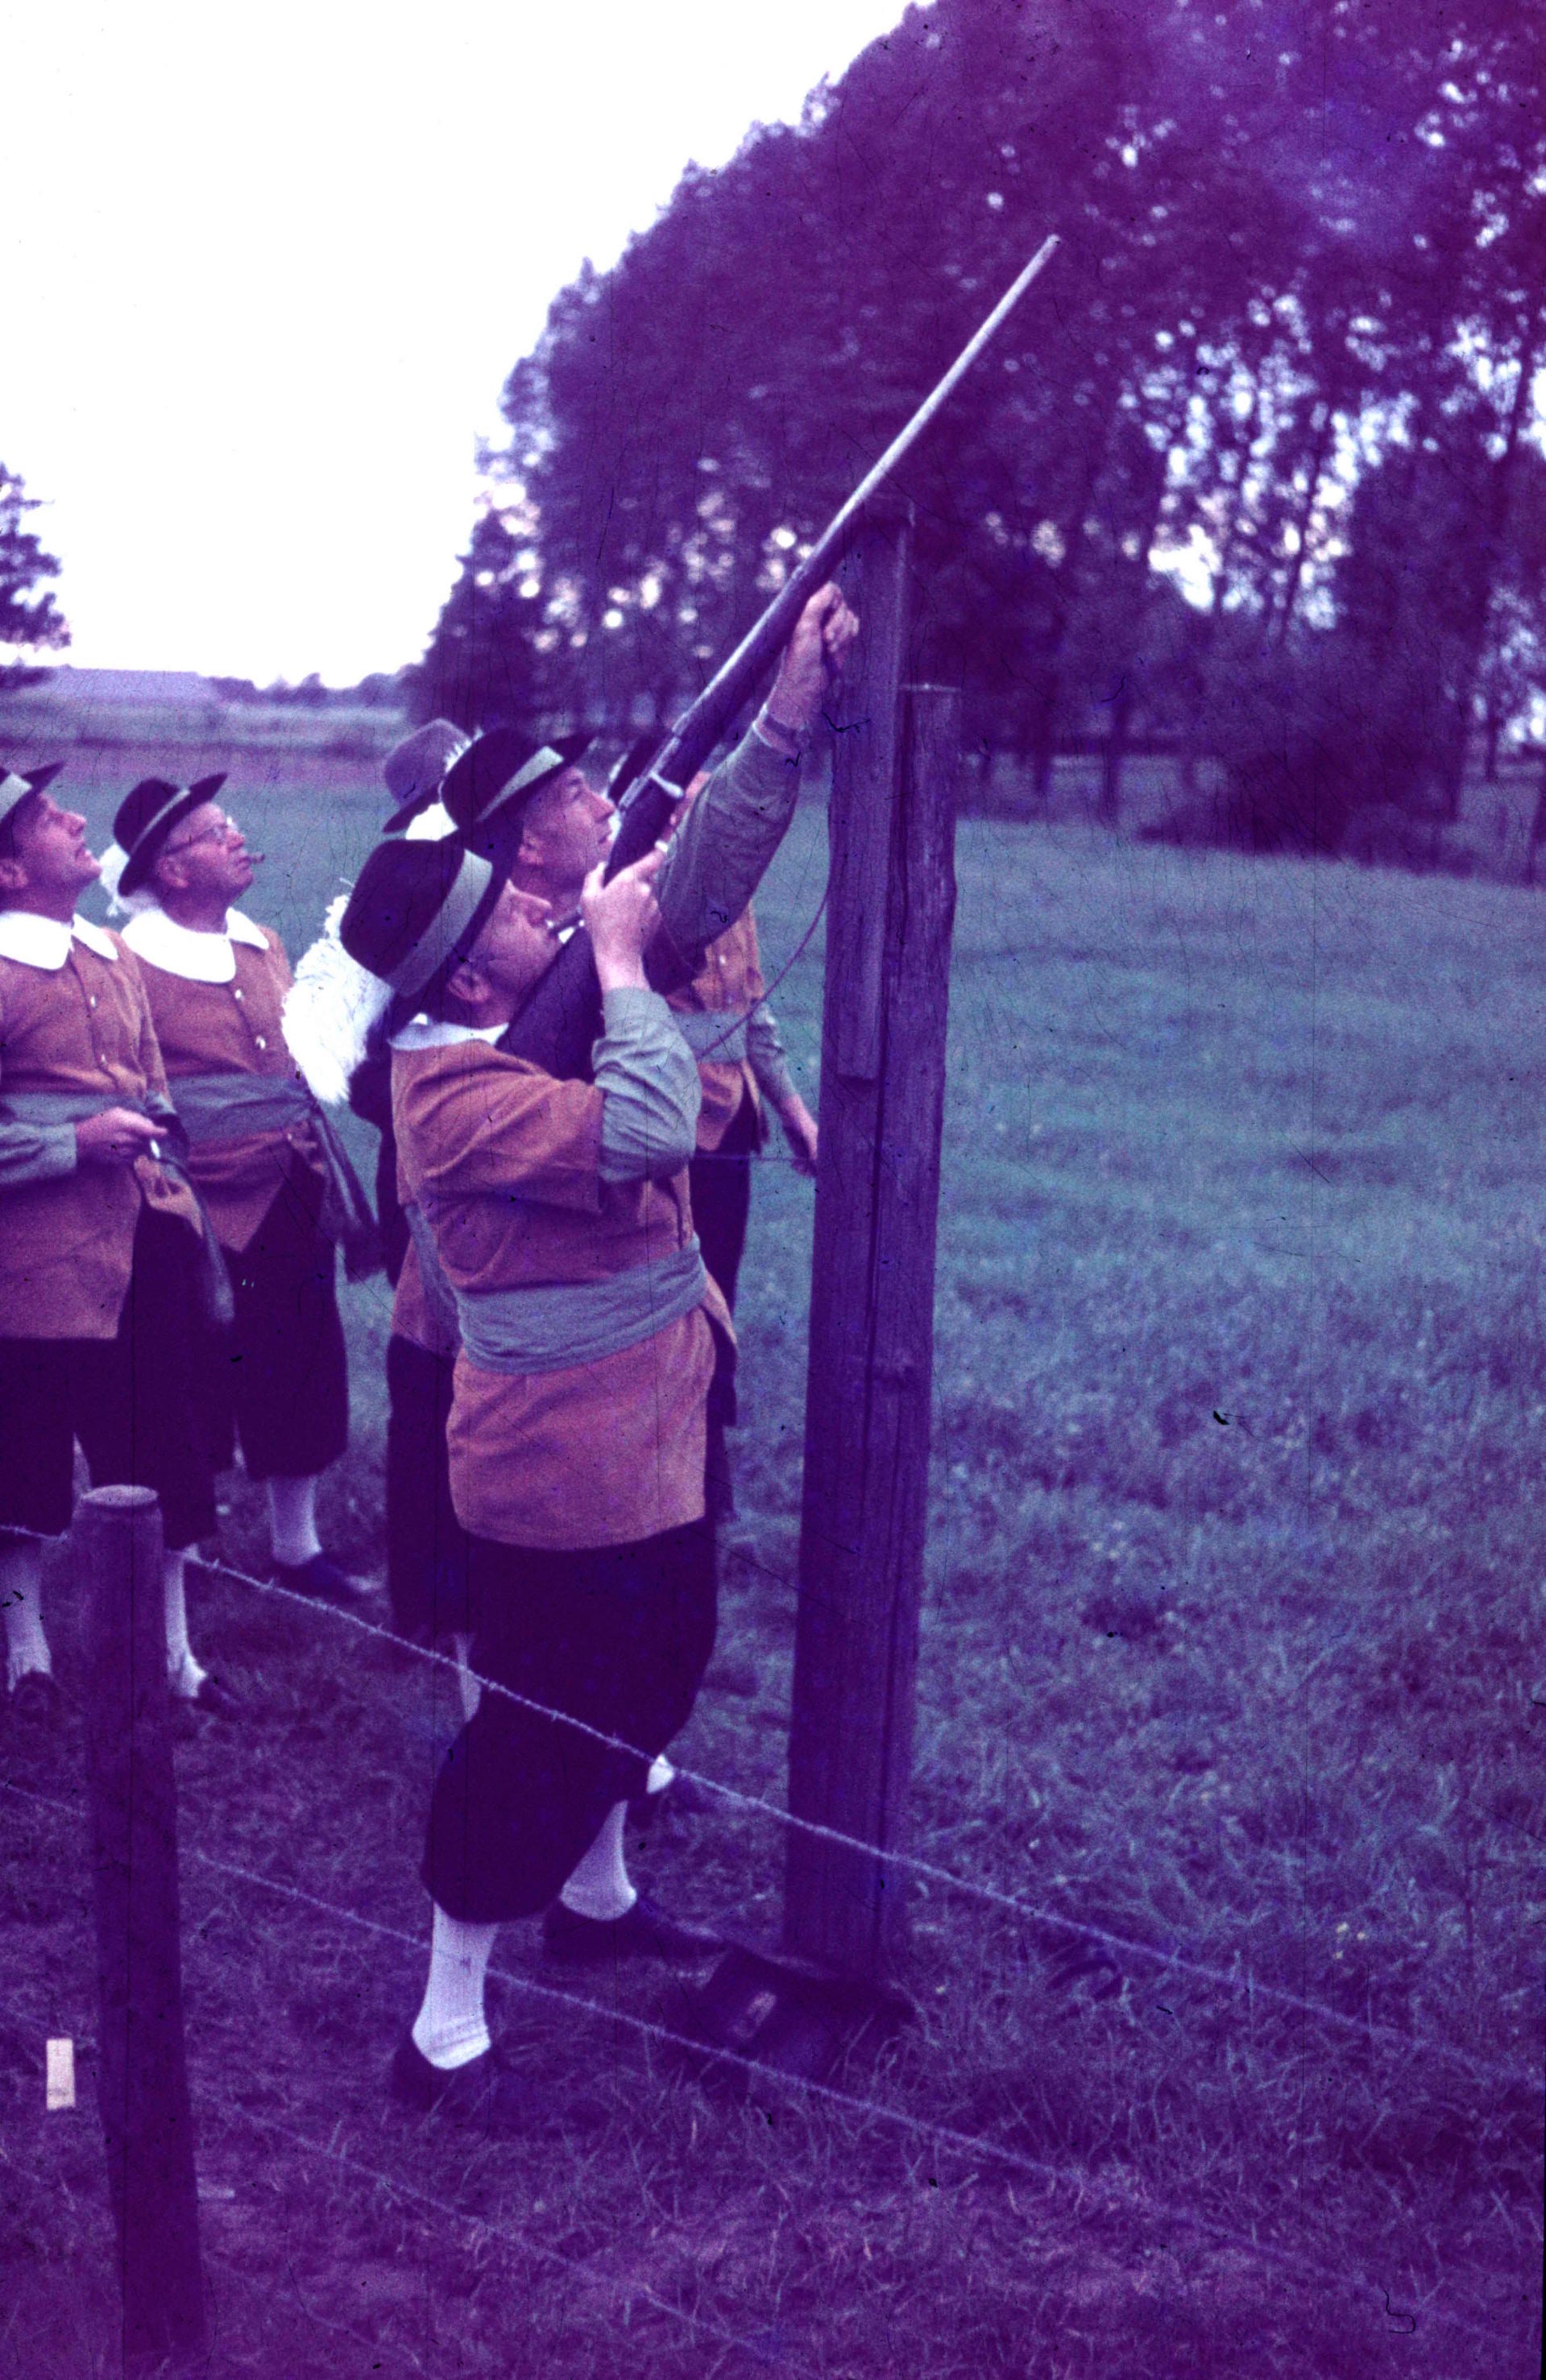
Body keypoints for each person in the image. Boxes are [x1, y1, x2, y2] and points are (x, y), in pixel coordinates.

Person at [338, 582, 856, 2127]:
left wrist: (781, 719)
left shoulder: (519, 1011)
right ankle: (440, 2034)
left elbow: (684, 876)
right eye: (510, 910)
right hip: (559, 1469)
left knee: (654, 1684)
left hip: (651, 1426)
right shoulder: (453, 1100)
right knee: (538, 1734)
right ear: (470, 978)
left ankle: (589, 1903)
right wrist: (626, 973)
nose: (540, 899)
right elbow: (647, 1126)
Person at [105, 774, 377, 1606]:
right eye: (215, 831)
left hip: (292, 1184)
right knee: (194, 1379)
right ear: (172, 870)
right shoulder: (127, 960)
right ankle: (181, 1558)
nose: (237, 836)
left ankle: (297, 1548)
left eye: (232, 824)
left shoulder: (261, 941)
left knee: (299, 1360)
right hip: (197, 1204)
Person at [0, 762, 230, 1719]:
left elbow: (149, 1080)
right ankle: (26, 1660)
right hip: (34, 1265)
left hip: (146, 1242)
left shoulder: (106, 952)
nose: (78, 817)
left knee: (163, 1450)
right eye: (49, 818)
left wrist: (157, 1145)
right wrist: (69, 1142)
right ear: (10, 873)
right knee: (23, 1462)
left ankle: (173, 1656)